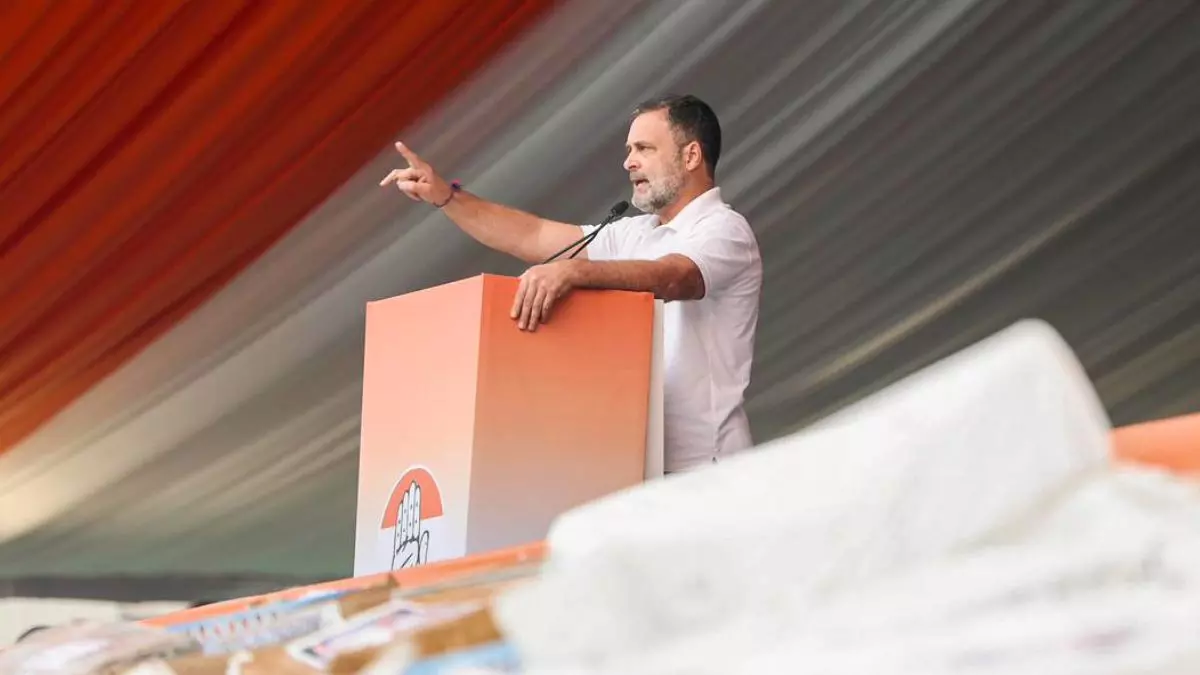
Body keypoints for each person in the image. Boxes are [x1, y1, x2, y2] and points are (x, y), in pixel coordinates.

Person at [380, 94, 762, 473]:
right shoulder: (634, 233)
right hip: (638, 470)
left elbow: (676, 277)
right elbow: (532, 234)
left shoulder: (724, 228)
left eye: (644, 148)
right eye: (629, 150)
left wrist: (576, 272)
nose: (628, 162)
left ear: (691, 156)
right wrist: (446, 196)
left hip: (708, 472)